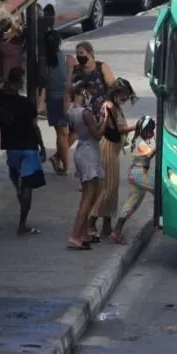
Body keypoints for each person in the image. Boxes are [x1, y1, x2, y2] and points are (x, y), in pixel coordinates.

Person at [0, 67, 47, 236]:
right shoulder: (26, 103)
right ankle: (22, 223)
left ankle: (20, 195)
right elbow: (34, 127)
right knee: (27, 184)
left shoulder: (0, 99)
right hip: (28, 146)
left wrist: (1, 82)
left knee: (16, 179)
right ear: (21, 81)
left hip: (11, 147)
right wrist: (42, 146)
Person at [90, 78, 139, 240]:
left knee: (111, 189)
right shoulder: (109, 107)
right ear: (116, 93)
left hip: (113, 149)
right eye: (123, 95)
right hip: (108, 149)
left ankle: (106, 226)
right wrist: (137, 126)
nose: (125, 98)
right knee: (108, 189)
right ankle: (91, 221)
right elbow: (118, 128)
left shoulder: (114, 106)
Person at [66, 81, 109, 250]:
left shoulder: (72, 111)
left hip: (81, 149)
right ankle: (75, 234)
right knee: (88, 197)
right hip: (89, 152)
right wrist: (105, 120)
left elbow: (89, 130)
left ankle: (82, 233)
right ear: (83, 92)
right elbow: (98, 135)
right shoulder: (86, 113)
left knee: (87, 194)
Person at [111, 116, 156, 244]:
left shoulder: (138, 139)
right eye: (150, 131)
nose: (152, 134)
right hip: (138, 173)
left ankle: (117, 231)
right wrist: (159, 143)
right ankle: (162, 219)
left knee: (132, 204)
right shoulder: (140, 142)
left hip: (138, 173)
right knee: (159, 190)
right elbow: (149, 154)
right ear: (143, 130)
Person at [42, 29, 76, 175]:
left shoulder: (43, 61)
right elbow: (74, 78)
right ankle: (64, 164)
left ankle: (59, 158)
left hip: (52, 98)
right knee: (71, 132)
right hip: (66, 97)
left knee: (60, 133)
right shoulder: (67, 59)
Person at [73, 41, 116, 115]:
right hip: (85, 112)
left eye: (81, 53)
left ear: (90, 53)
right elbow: (76, 93)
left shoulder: (102, 67)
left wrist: (108, 102)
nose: (78, 56)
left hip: (104, 108)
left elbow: (113, 87)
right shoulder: (76, 70)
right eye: (77, 54)